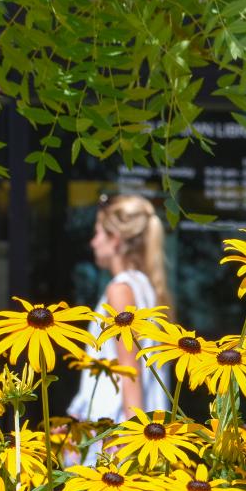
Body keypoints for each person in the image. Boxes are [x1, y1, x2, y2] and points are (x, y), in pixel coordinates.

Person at [66, 193, 172, 463]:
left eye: (98, 233)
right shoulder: (146, 288)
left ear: (115, 240)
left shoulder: (120, 290)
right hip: (127, 427)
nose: (93, 241)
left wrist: (130, 438)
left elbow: (129, 372)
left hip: (114, 433)